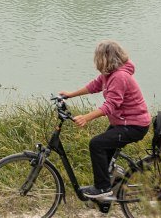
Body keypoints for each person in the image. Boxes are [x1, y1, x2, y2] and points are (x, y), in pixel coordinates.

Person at [58, 40, 150, 203]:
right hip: (123, 123)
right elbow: (95, 85)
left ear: (105, 58)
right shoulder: (110, 74)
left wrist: (86, 117)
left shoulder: (119, 76)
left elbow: (111, 105)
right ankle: (108, 185)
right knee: (104, 148)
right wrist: (70, 95)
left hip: (134, 125)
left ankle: (102, 188)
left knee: (97, 144)